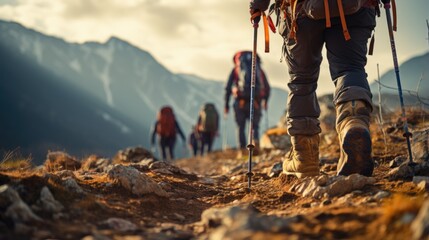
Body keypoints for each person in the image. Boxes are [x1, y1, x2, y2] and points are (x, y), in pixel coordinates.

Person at [249, 0, 377, 178]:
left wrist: (257, 5)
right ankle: (353, 122)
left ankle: (305, 157)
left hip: (299, 9)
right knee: (350, 68)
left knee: (301, 81)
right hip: (355, 7)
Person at [224, 51, 270, 155]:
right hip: (256, 102)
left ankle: (243, 151)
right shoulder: (259, 70)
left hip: (240, 102)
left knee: (240, 127)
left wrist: (226, 105)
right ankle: (255, 145)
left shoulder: (236, 70)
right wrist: (265, 101)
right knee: (254, 126)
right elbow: (267, 87)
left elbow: (227, 88)